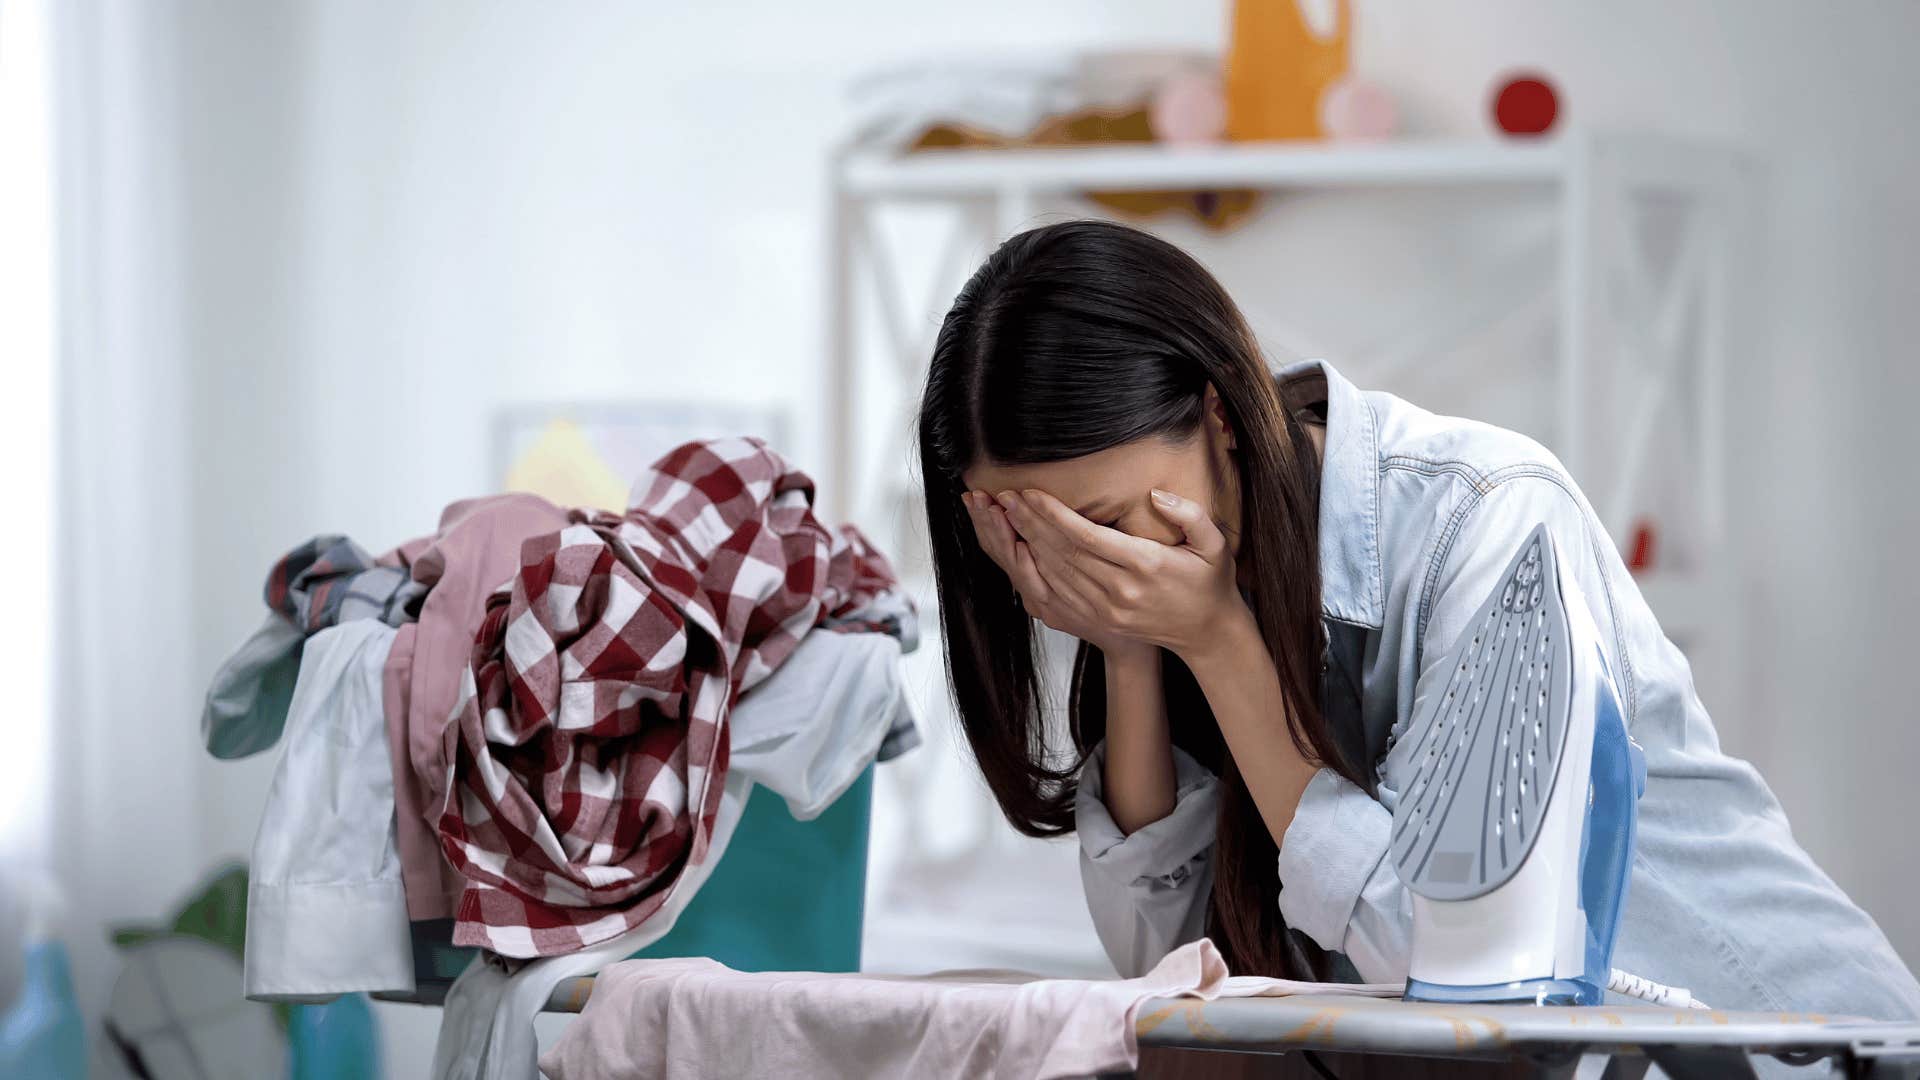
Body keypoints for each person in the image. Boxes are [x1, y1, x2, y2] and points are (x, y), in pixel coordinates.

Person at [915, 219, 1920, 1019]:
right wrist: (1131, 650)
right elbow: (1177, 972)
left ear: (1217, 412)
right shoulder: (1183, 578)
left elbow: (1463, 960)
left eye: (1101, 527)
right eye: (1040, 546)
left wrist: (1223, 647)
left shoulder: (1487, 519)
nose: (1091, 569)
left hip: (1788, 1040)